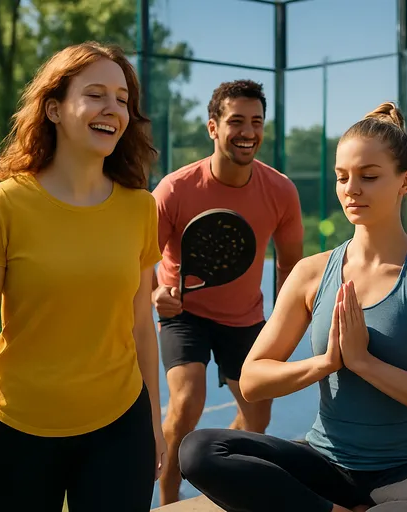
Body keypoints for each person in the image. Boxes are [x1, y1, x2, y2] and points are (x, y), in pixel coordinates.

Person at [176, 102, 407, 512]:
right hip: (325, 464)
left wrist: (364, 363)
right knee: (200, 449)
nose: (351, 189)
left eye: (369, 177)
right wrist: (326, 363)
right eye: (342, 177)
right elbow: (252, 379)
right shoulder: (312, 274)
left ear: (405, 181)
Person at [0, 42, 166, 512]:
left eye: (122, 99)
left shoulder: (141, 208)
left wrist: (154, 424)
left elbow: (142, 325)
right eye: (96, 94)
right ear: (55, 108)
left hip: (120, 427)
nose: (113, 109)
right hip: (17, 429)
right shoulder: (3, 204)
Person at [151, 78, 305, 504]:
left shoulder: (280, 191)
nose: (248, 132)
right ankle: (168, 498)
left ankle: (211, 470)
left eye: (256, 121)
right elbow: (141, 259)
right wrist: (155, 295)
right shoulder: (174, 189)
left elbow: (290, 267)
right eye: (236, 121)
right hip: (185, 315)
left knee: (257, 418)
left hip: (245, 317)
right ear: (213, 128)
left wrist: (282, 327)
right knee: (185, 402)